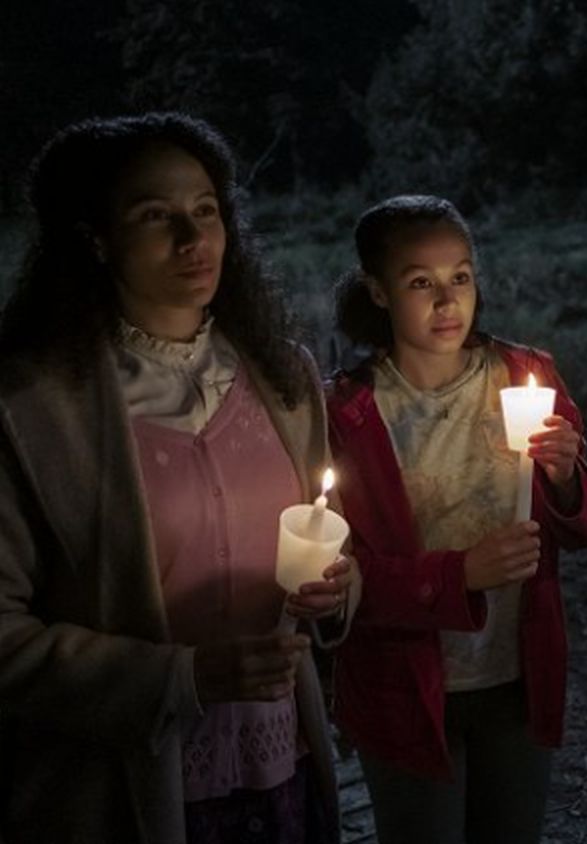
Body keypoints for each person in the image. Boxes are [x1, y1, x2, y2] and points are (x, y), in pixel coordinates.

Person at [0, 113, 358, 842]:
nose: (195, 240)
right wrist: (181, 678)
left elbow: (332, 544)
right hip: (119, 795)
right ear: (95, 239)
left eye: (205, 211)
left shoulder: (284, 379)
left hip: (283, 768)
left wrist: (341, 590)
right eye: (156, 216)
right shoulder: (31, 412)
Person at [326, 195, 587, 844]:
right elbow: (343, 580)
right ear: (377, 291)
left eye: (459, 277)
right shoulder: (349, 414)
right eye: (419, 282)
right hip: (405, 688)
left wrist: (567, 478)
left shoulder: (524, 375)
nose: (446, 300)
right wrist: (461, 575)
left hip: (517, 675)